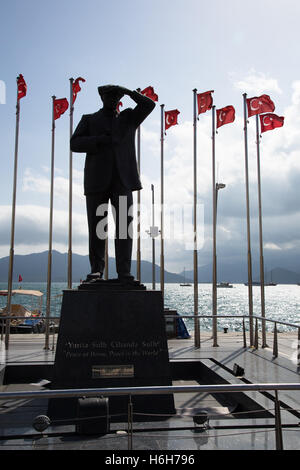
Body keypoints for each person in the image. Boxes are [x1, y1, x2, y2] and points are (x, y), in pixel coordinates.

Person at [70, 85, 155, 283]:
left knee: (125, 228)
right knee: (98, 228)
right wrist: (98, 140)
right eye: (109, 95)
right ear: (101, 97)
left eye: (116, 96)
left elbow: (149, 105)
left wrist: (129, 92)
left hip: (123, 180)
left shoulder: (128, 119)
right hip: (96, 181)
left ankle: (124, 271)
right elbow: (74, 143)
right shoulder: (89, 119)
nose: (112, 99)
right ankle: (96, 270)